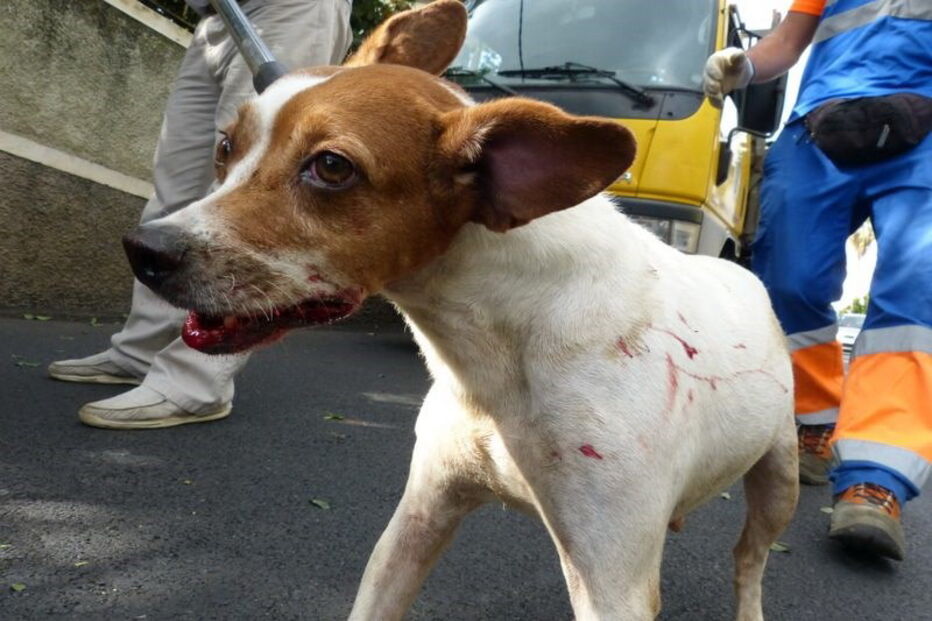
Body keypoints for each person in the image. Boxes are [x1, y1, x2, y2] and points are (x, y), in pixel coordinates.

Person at [48, 0, 352, 429]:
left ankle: (195, 383)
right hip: (216, 18)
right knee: (175, 190)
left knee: (246, 195)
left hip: (291, 8)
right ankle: (139, 351)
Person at [703, 0, 931, 561]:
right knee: (787, 282)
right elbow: (789, 41)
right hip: (821, 126)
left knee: (912, 299)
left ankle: (874, 481)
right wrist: (747, 68)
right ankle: (812, 425)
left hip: (924, 131)